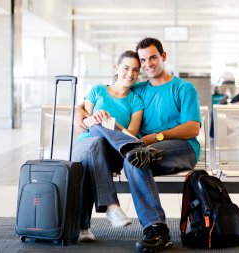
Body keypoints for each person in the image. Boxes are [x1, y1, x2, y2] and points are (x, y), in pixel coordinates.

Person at [76, 37, 201, 252]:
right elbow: (89, 104)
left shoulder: (184, 88)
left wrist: (157, 137)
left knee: (138, 154)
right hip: (141, 150)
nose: (148, 64)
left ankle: (133, 152)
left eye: (153, 57)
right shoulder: (139, 90)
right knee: (134, 159)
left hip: (181, 147)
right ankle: (156, 228)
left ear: (163, 57)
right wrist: (82, 112)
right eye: (143, 60)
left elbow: (192, 128)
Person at [72, 50, 145, 242]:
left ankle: (82, 227)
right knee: (93, 144)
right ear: (117, 68)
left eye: (135, 70)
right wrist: (93, 119)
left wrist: (112, 123)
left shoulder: (136, 101)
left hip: (114, 151)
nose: (130, 74)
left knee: (94, 153)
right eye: (126, 68)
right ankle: (111, 206)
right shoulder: (97, 91)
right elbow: (83, 125)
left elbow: (131, 135)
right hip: (85, 144)